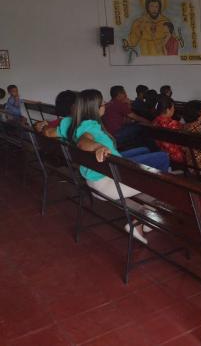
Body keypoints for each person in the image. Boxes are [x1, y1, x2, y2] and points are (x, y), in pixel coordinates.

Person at [64, 89, 170, 244]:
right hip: (108, 184)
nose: (105, 104)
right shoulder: (88, 128)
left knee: (151, 175)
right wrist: (96, 147)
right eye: (102, 103)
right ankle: (139, 223)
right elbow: (83, 141)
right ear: (94, 108)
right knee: (163, 182)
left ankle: (147, 219)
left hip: (97, 181)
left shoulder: (83, 124)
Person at [152, 96, 185, 163]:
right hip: (176, 156)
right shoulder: (173, 124)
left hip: (161, 152)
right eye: (173, 108)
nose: (174, 110)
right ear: (167, 110)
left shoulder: (154, 121)